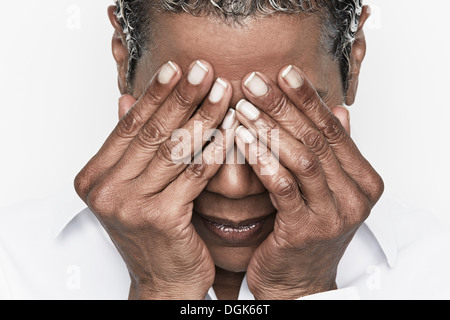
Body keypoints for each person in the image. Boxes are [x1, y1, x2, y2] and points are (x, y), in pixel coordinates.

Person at [1, 0, 449, 300]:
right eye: (195, 116)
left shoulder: (435, 271)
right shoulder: (13, 266)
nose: (235, 185)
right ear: (123, 60)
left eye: (277, 118)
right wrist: (163, 290)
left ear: (352, 65)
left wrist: (302, 290)